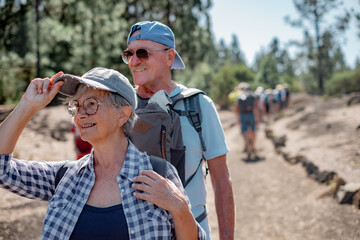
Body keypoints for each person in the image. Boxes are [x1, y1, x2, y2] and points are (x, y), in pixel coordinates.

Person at [0, 67, 206, 240]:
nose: (80, 114)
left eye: (91, 104)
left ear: (122, 115)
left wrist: (179, 208)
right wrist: (27, 105)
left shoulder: (159, 174)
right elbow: (2, 170)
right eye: (77, 106)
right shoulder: (64, 177)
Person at [122, 21, 235, 239]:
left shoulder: (199, 106)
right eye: (129, 54)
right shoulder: (121, 106)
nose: (134, 61)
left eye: (143, 53)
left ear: (169, 57)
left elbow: (221, 181)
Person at [234, 82, 260, 160]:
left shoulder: (238, 97)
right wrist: (257, 118)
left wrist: (237, 118)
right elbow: (255, 107)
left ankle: (247, 147)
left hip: (242, 116)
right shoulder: (252, 96)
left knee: (244, 132)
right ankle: (253, 146)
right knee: (253, 131)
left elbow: (236, 109)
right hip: (251, 115)